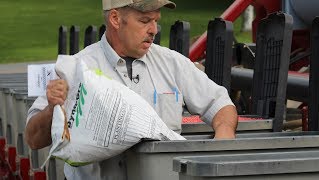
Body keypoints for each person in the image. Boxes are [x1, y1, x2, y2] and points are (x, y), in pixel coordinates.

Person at [25, 0, 238, 179]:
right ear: (116, 19)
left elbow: (221, 105)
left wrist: (222, 142)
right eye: (144, 21)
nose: (154, 29)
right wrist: (52, 108)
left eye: (156, 21)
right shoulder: (77, 68)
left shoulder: (172, 63)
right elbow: (33, 140)